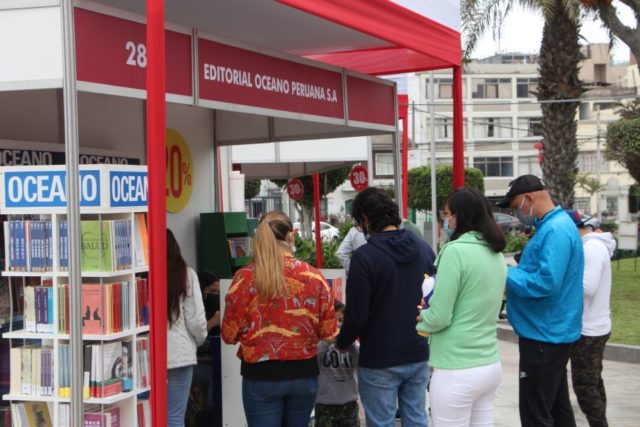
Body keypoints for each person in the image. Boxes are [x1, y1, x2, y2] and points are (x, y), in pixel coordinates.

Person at [221, 211, 338, 427]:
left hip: (261, 375)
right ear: (291, 236)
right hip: (304, 373)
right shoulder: (314, 277)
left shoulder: (245, 278)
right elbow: (329, 333)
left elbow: (228, 335)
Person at [336, 187, 436, 427]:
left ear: (366, 219)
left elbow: (357, 315)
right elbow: (432, 297)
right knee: (417, 419)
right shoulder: (424, 249)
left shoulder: (364, 257)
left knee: (381, 422)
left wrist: (342, 342)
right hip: (418, 351)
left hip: (380, 357)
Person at [496, 175, 584, 427]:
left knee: (535, 414)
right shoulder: (554, 226)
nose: (518, 213)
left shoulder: (555, 230)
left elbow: (547, 282)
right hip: (550, 330)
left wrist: (505, 273)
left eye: (516, 206)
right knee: (557, 409)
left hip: (543, 334)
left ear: (529, 198)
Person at [416, 188, 507, 427]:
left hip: (456, 368)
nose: (445, 219)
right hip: (489, 364)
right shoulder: (496, 253)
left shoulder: (454, 251)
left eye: (447, 214)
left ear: (460, 216)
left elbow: (440, 316)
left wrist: (421, 317)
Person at [566, 211, 616, 427]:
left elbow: (588, 287)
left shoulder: (591, 249)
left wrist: (563, 275)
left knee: (585, 387)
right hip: (596, 325)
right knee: (594, 382)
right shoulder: (595, 246)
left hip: (589, 330)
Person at [166, 228, 208, 427]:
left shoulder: (140, 273)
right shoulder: (186, 274)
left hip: (145, 356)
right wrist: (199, 341)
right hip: (179, 355)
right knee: (174, 417)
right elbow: (196, 320)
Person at [315, 301, 360, 427]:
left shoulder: (352, 344)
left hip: (349, 402)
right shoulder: (319, 341)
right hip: (325, 403)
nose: (339, 324)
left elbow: (359, 362)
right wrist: (328, 339)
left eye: (341, 320)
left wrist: (349, 341)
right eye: (337, 319)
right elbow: (313, 360)